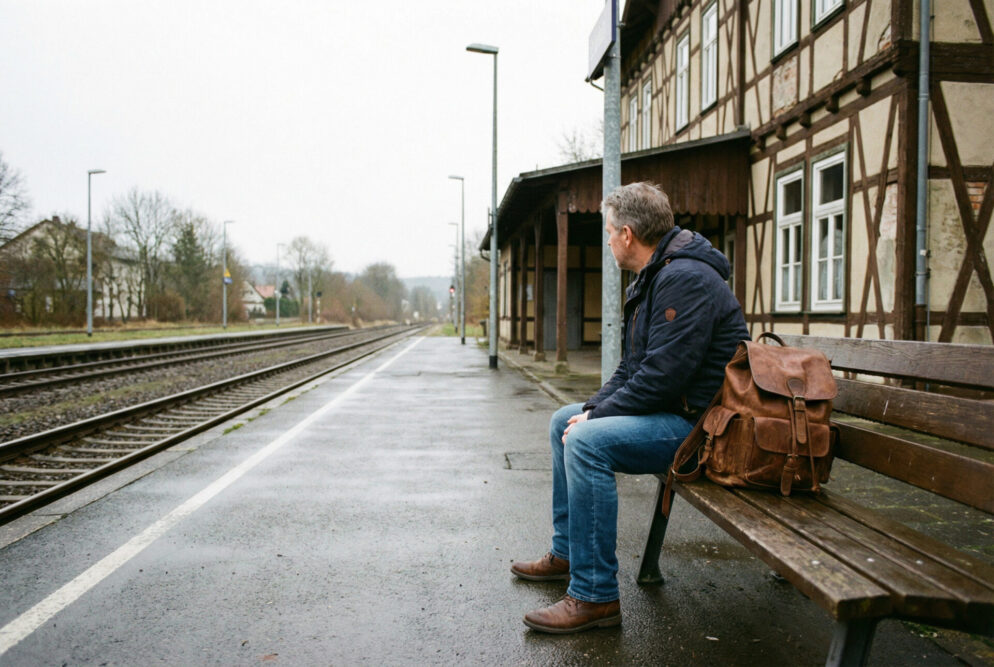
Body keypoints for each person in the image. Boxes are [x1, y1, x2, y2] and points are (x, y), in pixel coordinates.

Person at [512, 182, 749, 634]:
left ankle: (595, 595)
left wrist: (596, 419)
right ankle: (568, 553)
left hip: (702, 428)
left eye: (607, 231)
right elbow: (632, 369)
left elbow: (663, 377)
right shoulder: (656, 276)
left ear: (626, 235)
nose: (605, 240)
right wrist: (593, 406)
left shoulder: (686, 280)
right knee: (564, 419)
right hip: (679, 413)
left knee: (585, 441)